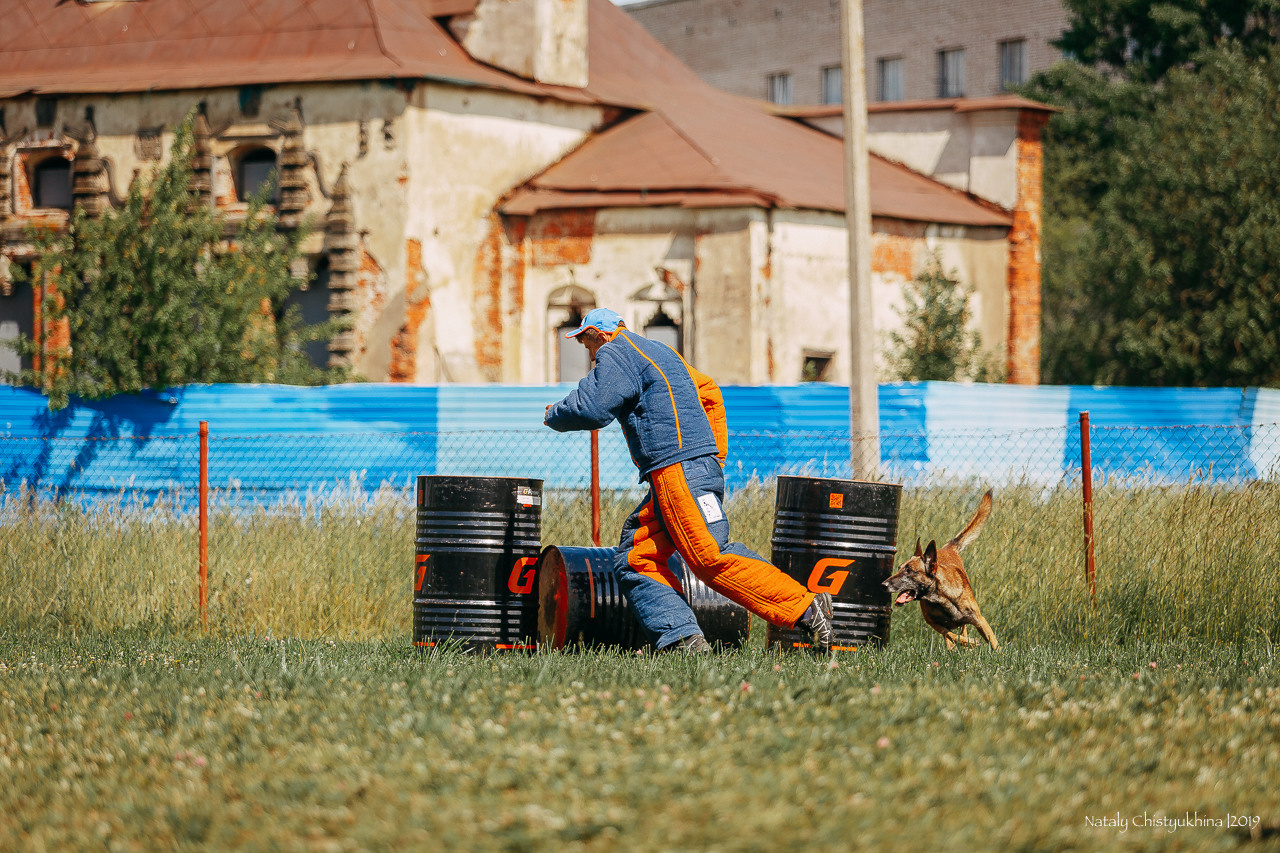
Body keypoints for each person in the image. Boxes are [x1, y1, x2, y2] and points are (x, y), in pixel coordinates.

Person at [544, 307, 833, 653]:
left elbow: (592, 406)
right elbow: (709, 391)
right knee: (637, 557)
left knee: (709, 556)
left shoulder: (617, 351)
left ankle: (805, 607)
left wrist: (553, 413)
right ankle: (682, 640)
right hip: (685, 470)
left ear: (600, 334)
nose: (590, 354)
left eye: (586, 343)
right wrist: (713, 456)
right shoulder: (661, 352)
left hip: (677, 471)